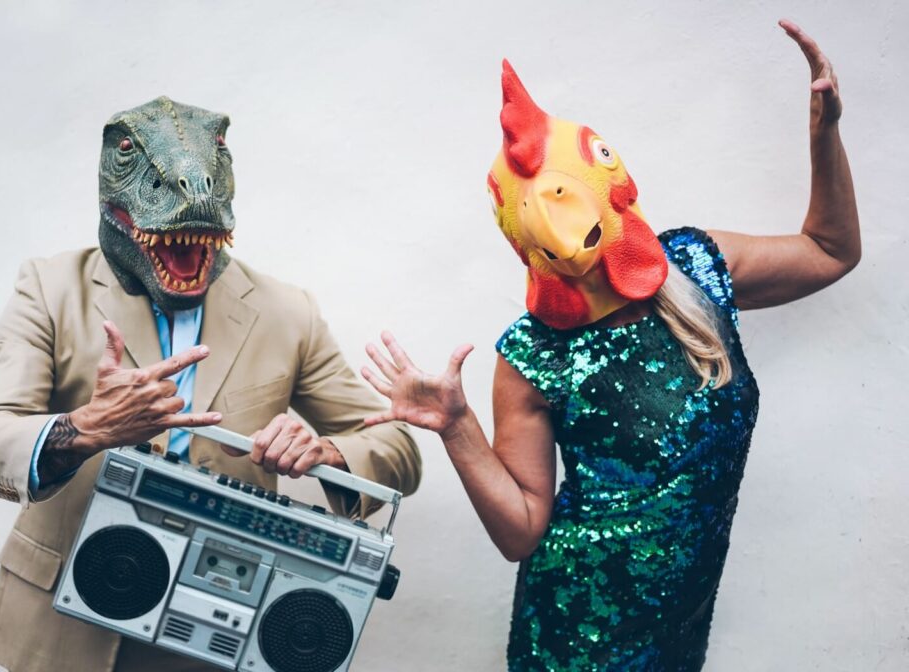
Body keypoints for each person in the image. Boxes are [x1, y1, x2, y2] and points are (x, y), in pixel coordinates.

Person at [360, 20, 857, 671]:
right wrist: (458, 428)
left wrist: (824, 133)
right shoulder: (533, 355)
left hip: (678, 634)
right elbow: (522, 529)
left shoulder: (699, 267)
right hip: (576, 638)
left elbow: (831, 250)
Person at [0, 96, 421, 672]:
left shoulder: (288, 311)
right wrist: (84, 428)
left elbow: (397, 448)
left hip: (226, 625)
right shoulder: (49, 288)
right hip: (69, 620)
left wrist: (329, 453)